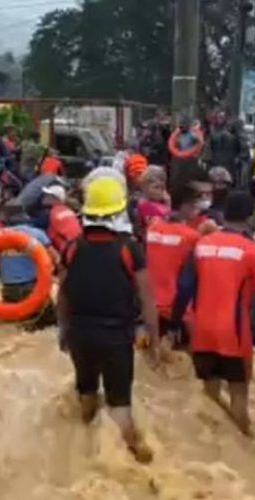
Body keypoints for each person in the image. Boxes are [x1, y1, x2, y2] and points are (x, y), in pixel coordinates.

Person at [57, 175, 159, 463]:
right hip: (115, 337)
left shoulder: (71, 247)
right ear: (119, 211)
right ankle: (135, 459)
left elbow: (62, 295)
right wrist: (152, 340)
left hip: (79, 333)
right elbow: (148, 300)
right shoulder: (130, 249)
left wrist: (63, 330)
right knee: (119, 404)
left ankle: (85, 448)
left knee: (86, 391)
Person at [171, 191, 255, 435]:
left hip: (202, 332)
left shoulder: (201, 244)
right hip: (234, 335)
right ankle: (243, 450)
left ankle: (213, 446)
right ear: (250, 218)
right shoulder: (252, 251)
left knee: (209, 397)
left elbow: (185, 288)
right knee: (239, 395)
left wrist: (175, 324)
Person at [145, 187, 202, 347]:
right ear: (185, 206)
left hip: (148, 306)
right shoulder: (192, 237)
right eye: (195, 205)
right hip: (178, 311)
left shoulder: (152, 229)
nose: (197, 210)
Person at [0, 200, 58, 330]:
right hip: (32, 288)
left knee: (14, 329)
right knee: (50, 328)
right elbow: (55, 258)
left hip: (9, 291)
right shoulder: (37, 234)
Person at [39, 184, 82, 254]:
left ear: (55, 198)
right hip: (77, 249)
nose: (45, 196)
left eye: (48, 195)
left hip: (64, 252)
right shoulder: (68, 210)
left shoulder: (49, 214)